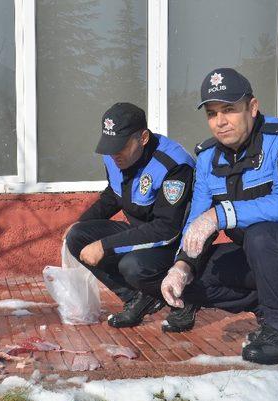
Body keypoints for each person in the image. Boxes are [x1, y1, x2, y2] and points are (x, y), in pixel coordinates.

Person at [160, 68, 278, 364]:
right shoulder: (208, 157)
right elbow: (198, 220)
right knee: (193, 277)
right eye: (211, 113)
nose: (220, 122)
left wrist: (220, 215)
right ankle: (267, 304)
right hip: (258, 254)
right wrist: (182, 265)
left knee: (263, 234)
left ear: (253, 107)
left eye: (229, 110)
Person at [65, 102, 195, 328]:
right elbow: (113, 195)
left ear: (143, 138)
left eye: (120, 146)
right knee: (77, 236)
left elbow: (167, 229)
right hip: (143, 234)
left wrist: (105, 245)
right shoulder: (115, 156)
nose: (113, 153)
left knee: (132, 265)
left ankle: (187, 300)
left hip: (176, 244)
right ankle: (138, 298)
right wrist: (81, 222)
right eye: (109, 146)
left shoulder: (174, 165)